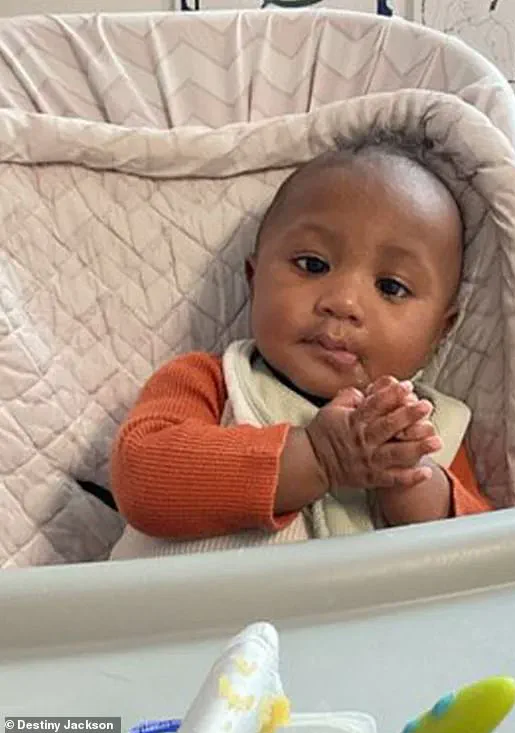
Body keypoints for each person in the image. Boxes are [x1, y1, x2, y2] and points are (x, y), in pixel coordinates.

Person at [109, 135, 492, 554]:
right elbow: (140, 478)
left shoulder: (431, 430)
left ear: (440, 332)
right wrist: (316, 457)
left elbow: (489, 557)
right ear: (254, 280)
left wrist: (416, 487)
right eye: (313, 265)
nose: (343, 302)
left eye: (391, 287)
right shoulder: (212, 382)